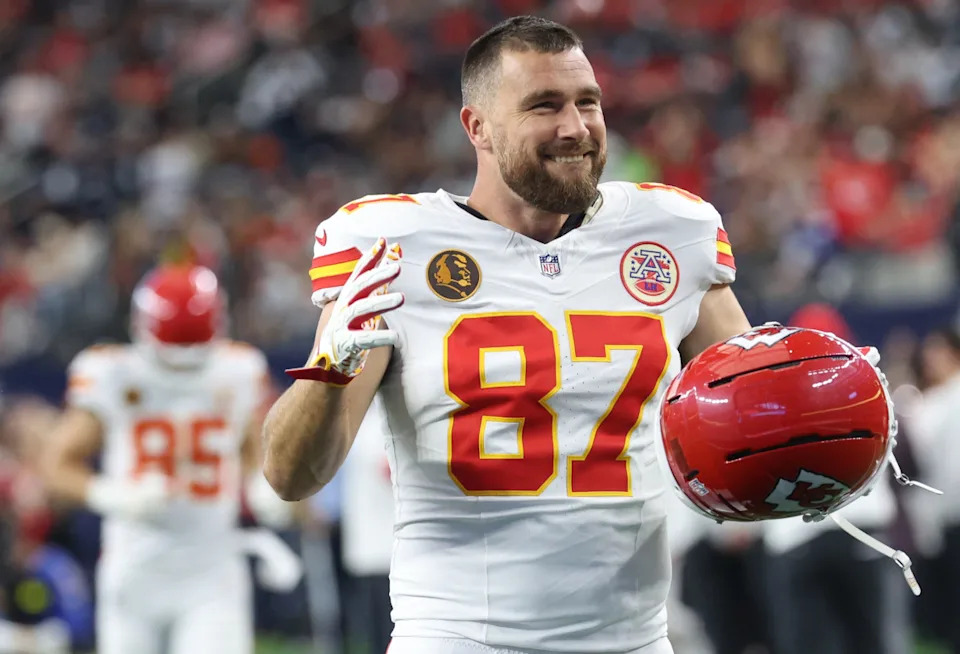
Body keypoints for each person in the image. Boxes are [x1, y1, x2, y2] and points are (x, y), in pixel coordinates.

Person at [263, 15, 752, 654]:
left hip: (632, 640)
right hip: (458, 637)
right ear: (478, 128)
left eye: (588, 102)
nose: (576, 127)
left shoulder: (669, 234)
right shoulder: (392, 249)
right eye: (544, 106)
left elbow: (745, 419)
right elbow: (291, 476)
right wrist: (329, 366)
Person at [41, 263, 300, 654]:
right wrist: (110, 494)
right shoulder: (113, 371)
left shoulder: (238, 369)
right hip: (136, 567)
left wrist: (262, 488)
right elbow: (54, 466)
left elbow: (255, 452)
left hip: (211, 566)